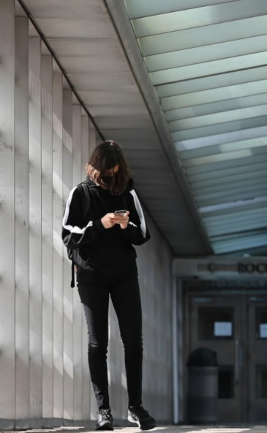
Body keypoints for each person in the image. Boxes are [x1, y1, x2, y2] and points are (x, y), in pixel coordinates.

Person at [62, 140, 157, 431]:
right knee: (97, 343)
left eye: (115, 173)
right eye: (105, 173)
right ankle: (104, 411)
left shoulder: (127, 190)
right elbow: (68, 235)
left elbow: (142, 233)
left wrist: (123, 225)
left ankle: (136, 407)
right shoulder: (80, 193)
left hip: (124, 273)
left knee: (133, 340)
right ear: (95, 168)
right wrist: (99, 224)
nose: (109, 179)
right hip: (91, 275)